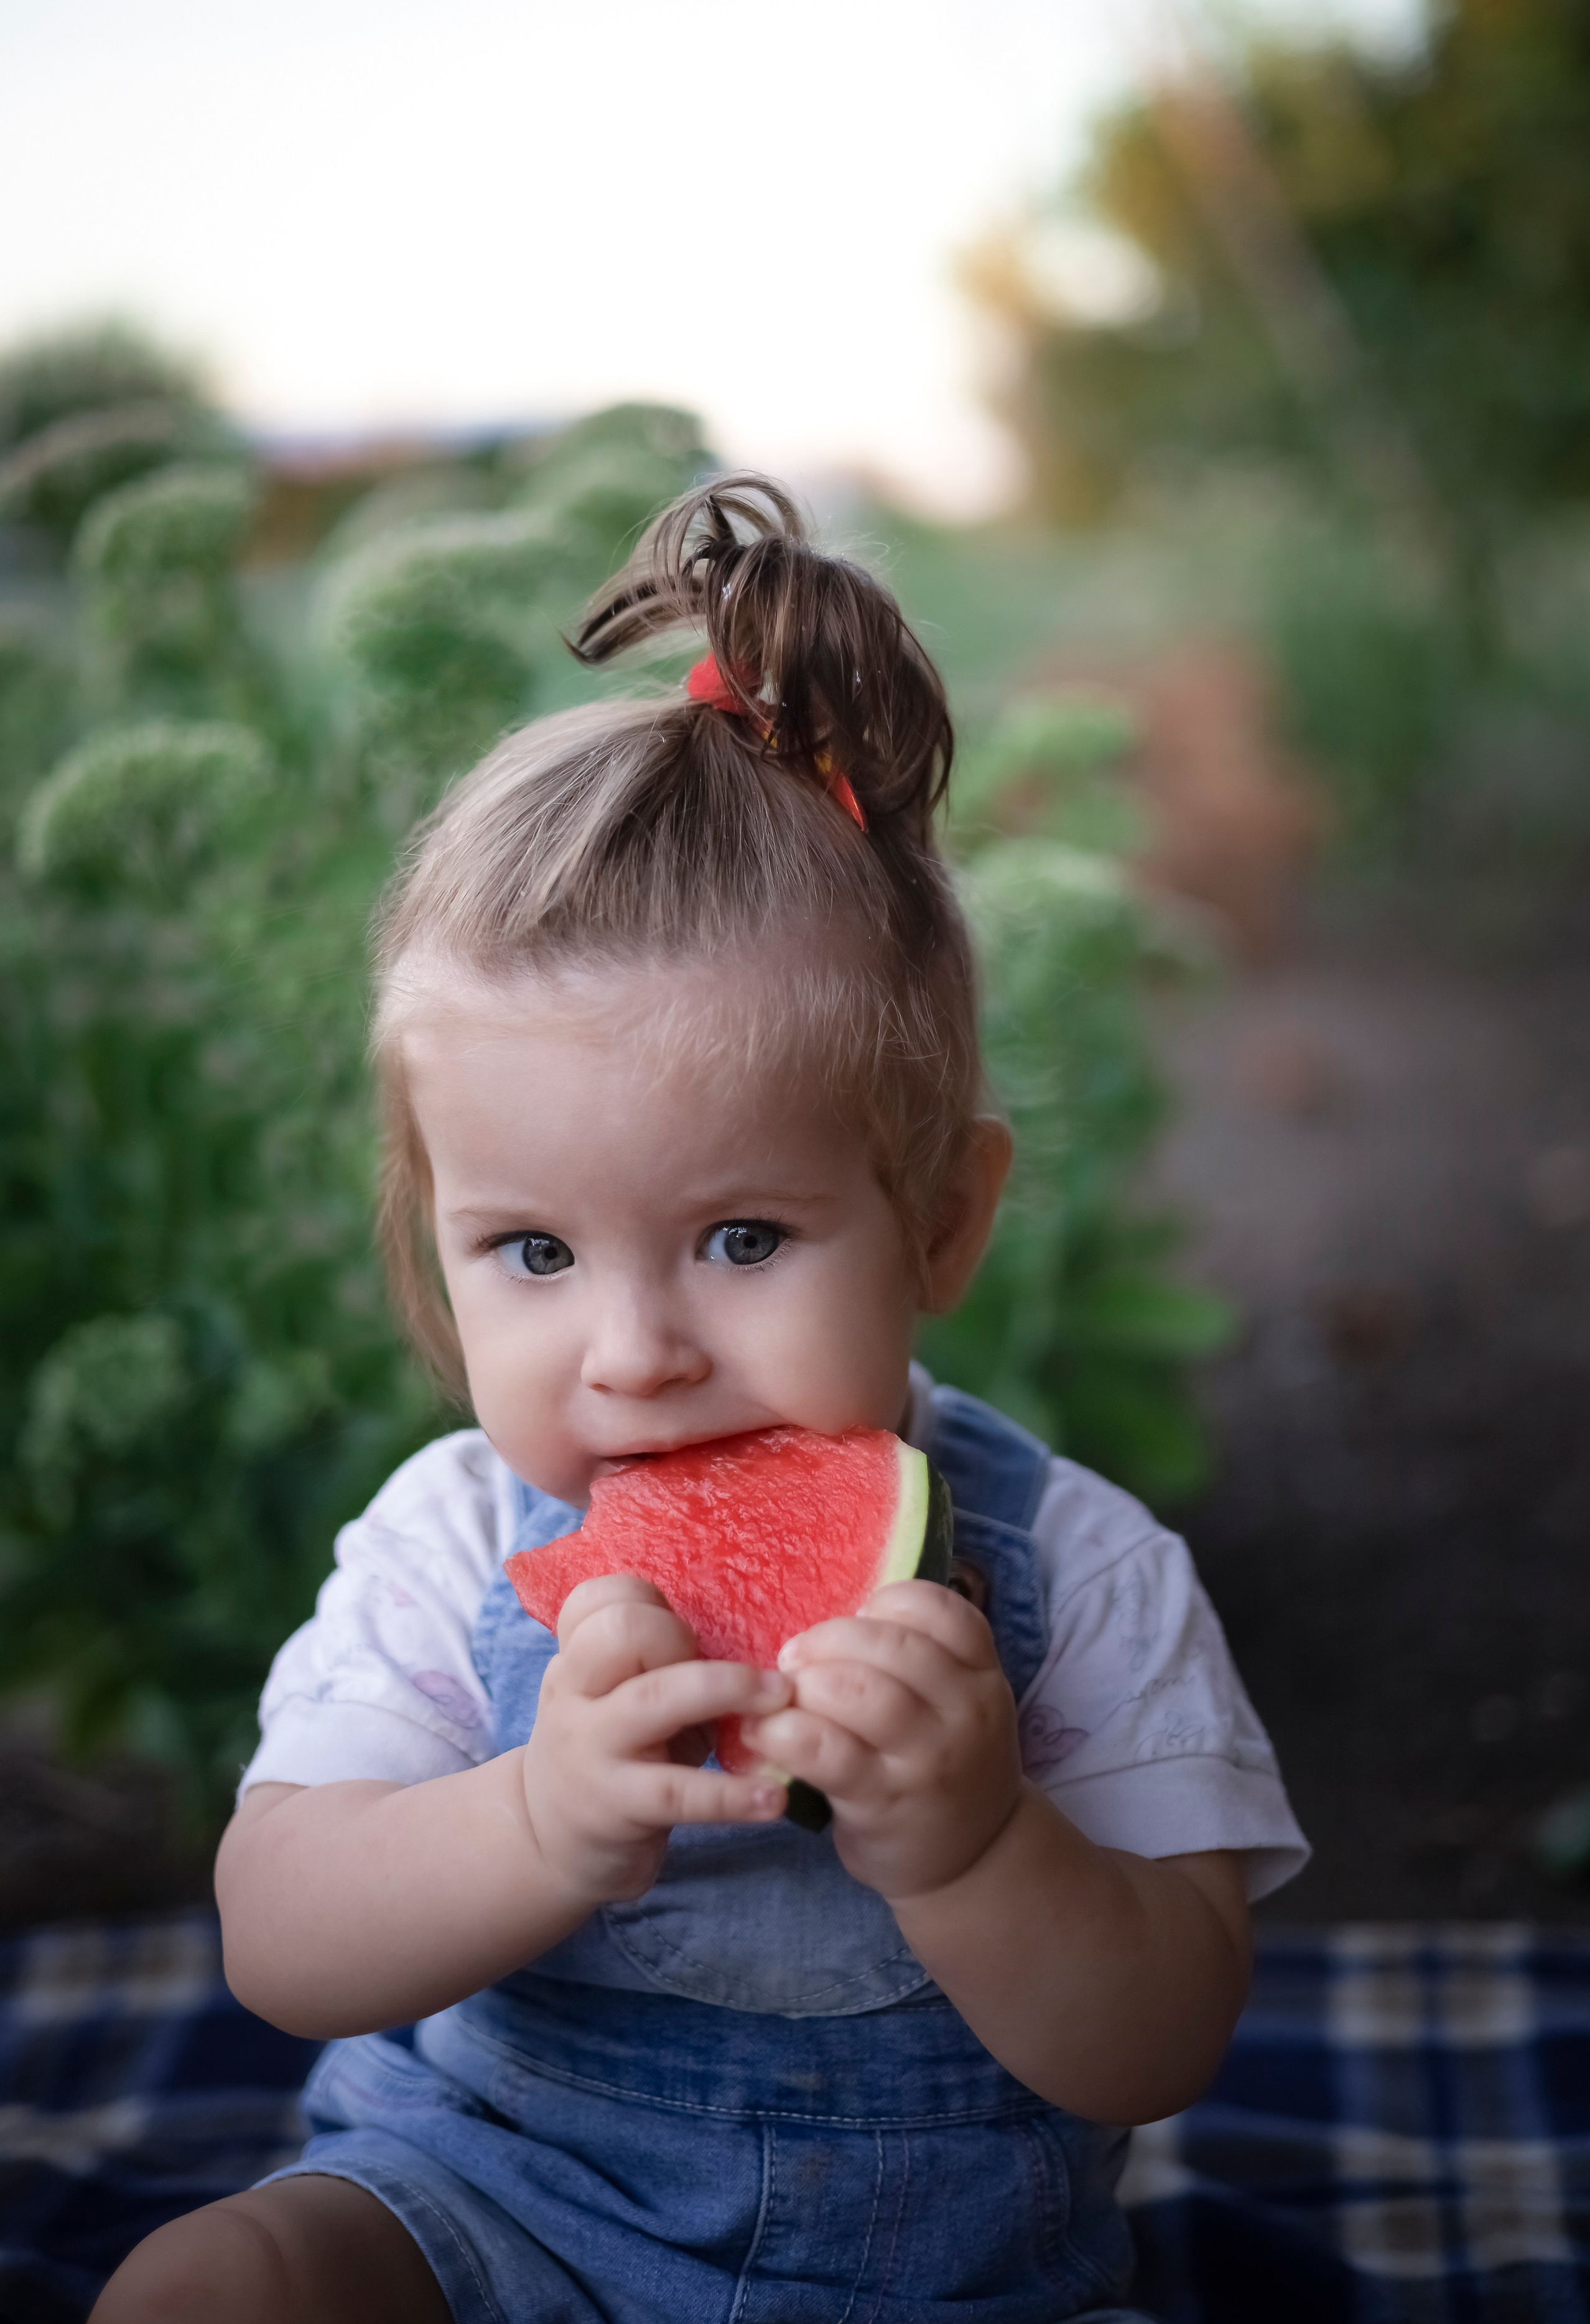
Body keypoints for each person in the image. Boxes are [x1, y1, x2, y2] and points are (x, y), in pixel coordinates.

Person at [93, 475, 1306, 2324]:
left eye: (742, 1238)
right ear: (431, 1247)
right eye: (535, 1254)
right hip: (480, 2218)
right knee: (223, 2282)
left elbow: (1158, 2040)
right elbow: (280, 1937)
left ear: (945, 1220)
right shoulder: (446, 1545)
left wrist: (981, 1847)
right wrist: (535, 1820)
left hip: (942, 2289)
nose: (636, 1351)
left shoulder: (1080, 1569)